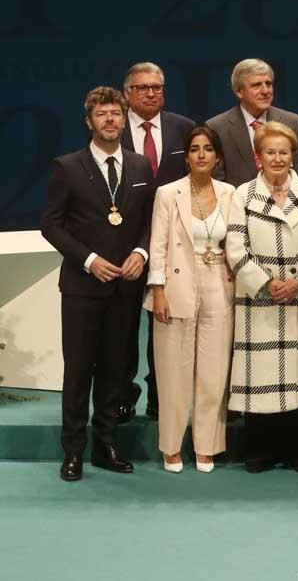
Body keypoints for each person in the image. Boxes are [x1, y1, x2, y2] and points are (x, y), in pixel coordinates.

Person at [40, 86, 154, 481]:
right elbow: (51, 225)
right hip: (81, 287)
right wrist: (89, 260)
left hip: (125, 287)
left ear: (125, 120)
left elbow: (147, 224)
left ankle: (106, 446)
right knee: (78, 372)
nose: (110, 120)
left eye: (116, 114)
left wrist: (141, 254)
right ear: (89, 121)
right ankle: (73, 451)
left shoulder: (140, 167)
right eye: (102, 114)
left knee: (114, 371)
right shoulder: (67, 166)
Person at [225, 121, 298, 473]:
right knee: (262, 377)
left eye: (283, 152)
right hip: (260, 301)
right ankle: (259, 451)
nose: (277, 158)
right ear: (258, 157)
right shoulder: (241, 196)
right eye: (270, 152)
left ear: (293, 156)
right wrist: (265, 282)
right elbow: (234, 247)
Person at [145, 125, 236, 474]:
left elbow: (238, 242)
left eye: (208, 149)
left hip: (219, 284)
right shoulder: (169, 194)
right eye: (195, 149)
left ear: (217, 156)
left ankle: (207, 445)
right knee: (173, 372)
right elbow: (158, 244)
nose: (201, 154)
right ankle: (171, 446)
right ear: (186, 156)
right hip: (176, 284)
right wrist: (158, 291)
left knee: (214, 372)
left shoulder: (230, 194)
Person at [118, 61, 196, 422]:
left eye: (158, 87)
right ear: (127, 94)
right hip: (124, 244)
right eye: (143, 88)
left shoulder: (184, 129)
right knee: (123, 325)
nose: (151, 93)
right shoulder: (113, 129)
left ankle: (160, 394)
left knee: (165, 324)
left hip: (174, 243)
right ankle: (122, 394)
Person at [209, 58, 298, 187]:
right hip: (238, 205)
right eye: (256, 85)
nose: (265, 91)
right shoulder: (217, 127)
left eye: (268, 84)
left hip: (286, 204)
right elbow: (218, 184)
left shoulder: (292, 122)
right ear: (239, 91)